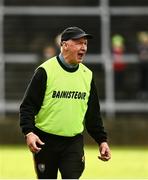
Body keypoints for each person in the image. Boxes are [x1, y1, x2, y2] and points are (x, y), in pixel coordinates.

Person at [19, 26, 111, 179]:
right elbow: (28, 106)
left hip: (73, 143)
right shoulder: (45, 71)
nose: (83, 47)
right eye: (79, 43)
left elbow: (93, 114)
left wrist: (102, 140)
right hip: (45, 141)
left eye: (85, 44)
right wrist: (29, 132)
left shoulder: (87, 75)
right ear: (64, 45)